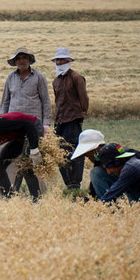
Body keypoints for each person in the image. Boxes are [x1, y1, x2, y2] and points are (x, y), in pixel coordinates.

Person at [0, 47, 51, 194]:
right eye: (19, 58)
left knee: (33, 159)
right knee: (12, 159)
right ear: (15, 62)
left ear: (29, 60)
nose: (21, 61)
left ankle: (40, 195)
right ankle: (9, 192)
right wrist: (1, 121)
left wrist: (46, 124)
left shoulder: (38, 77)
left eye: (24, 58)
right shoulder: (10, 77)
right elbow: (5, 102)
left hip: (33, 125)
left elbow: (46, 102)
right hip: (13, 125)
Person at [70, 129, 140, 200]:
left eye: (87, 154)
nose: (88, 157)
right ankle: (111, 207)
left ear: (95, 149)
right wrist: (88, 202)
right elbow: (94, 188)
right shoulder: (100, 162)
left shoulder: (125, 156)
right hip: (128, 187)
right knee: (96, 172)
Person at [51, 47, 89, 190]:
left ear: (68, 61)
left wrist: (81, 115)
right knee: (59, 153)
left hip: (72, 120)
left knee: (74, 152)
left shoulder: (76, 77)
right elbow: (57, 102)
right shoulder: (56, 81)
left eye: (62, 59)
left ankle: (75, 183)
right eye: (57, 60)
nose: (60, 62)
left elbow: (84, 98)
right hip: (59, 121)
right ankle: (68, 183)